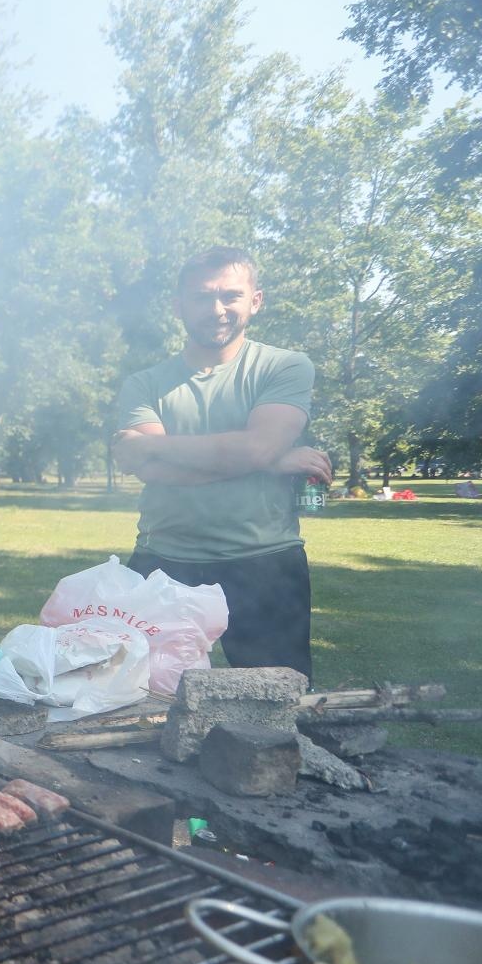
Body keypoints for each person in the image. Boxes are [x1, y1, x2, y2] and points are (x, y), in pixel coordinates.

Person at [111, 247, 331, 682]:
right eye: (202, 297)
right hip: (164, 562)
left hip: (264, 563)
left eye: (230, 295)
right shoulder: (144, 383)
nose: (217, 309)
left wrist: (259, 454)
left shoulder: (284, 367)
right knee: (140, 698)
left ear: (255, 300)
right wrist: (267, 460)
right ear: (179, 306)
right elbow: (150, 470)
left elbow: (160, 456)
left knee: (274, 703)